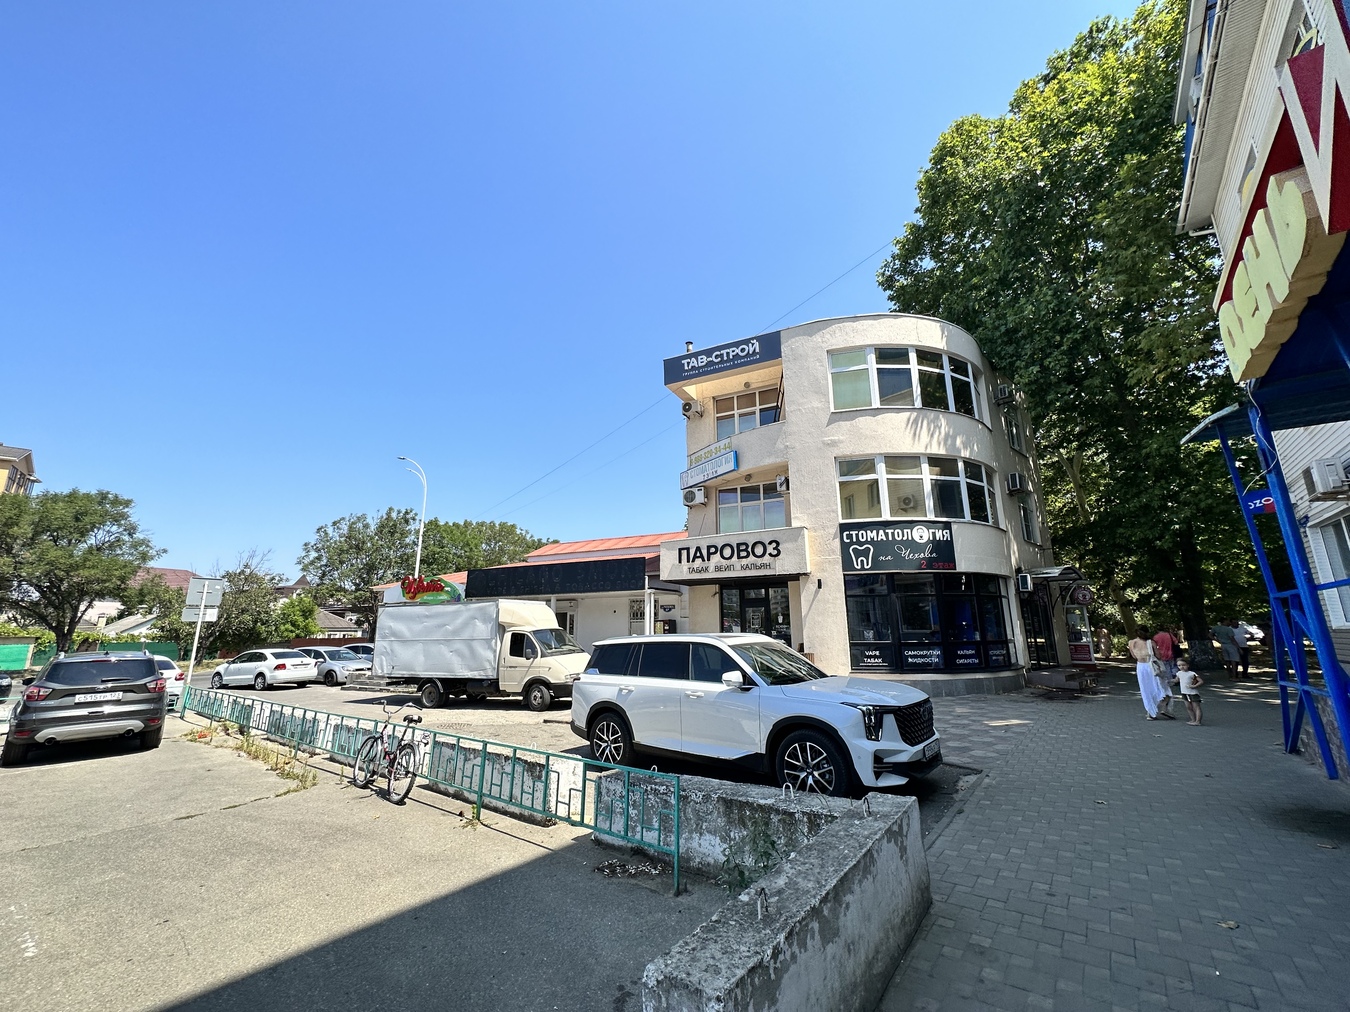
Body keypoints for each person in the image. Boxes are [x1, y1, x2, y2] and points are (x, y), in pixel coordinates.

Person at [1127, 626, 1171, 720]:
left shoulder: (1131, 643)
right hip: (1151, 666)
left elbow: (1134, 656)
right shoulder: (1150, 642)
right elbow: (1158, 656)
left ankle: (1150, 712)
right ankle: (1163, 707)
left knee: (1146, 689)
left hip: (1140, 667)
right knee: (1161, 687)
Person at [1177, 658, 1204, 725]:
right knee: (1188, 707)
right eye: (1179, 665)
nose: (1181, 667)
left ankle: (1198, 721)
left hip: (1193, 693)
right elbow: (1176, 680)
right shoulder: (1179, 673)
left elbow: (1200, 681)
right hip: (1184, 692)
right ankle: (1193, 719)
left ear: (1188, 665)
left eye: (1183, 665)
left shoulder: (1192, 674)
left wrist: (1194, 686)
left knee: (1196, 707)